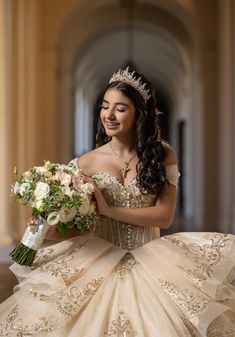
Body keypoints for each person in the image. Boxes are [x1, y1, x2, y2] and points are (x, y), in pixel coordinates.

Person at [0, 67, 234, 336]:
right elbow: (83, 227)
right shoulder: (85, 163)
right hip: (98, 259)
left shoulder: (162, 155)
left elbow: (164, 216)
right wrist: (45, 227)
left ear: (139, 114)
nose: (108, 116)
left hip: (154, 259)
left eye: (120, 108)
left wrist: (109, 209)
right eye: (105, 106)